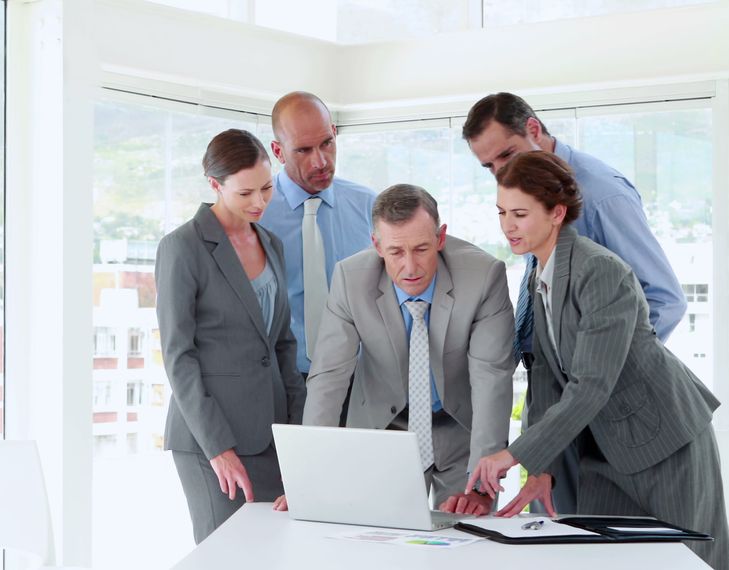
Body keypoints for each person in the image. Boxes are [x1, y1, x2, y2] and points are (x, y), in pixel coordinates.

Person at [467, 151, 729, 570]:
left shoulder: (600, 270)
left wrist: (514, 454)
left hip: (665, 441)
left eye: (520, 214)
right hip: (606, 448)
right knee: (606, 561)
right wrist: (541, 467)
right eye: (502, 212)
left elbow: (590, 385)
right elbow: (547, 379)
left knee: (688, 562)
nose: (507, 226)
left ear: (556, 213)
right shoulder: (539, 275)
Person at [463, 91, 688, 514]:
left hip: (609, 407)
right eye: (489, 167)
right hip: (559, 401)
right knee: (555, 528)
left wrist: (603, 377)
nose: (501, 172)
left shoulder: (601, 194)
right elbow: (549, 336)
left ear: (533, 129)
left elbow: (663, 299)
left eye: (506, 155)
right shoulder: (525, 210)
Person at [300, 184, 515, 515]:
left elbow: (492, 377)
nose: (411, 267)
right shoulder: (350, 279)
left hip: (463, 428)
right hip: (386, 429)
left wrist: (481, 484)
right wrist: (309, 478)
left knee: (467, 533)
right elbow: (329, 376)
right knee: (378, 536)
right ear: (377, 246)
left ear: (441, 238)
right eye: (396, 252)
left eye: (421, 249)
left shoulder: (483, 276)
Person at [155, 129, 306, 544]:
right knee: (225, 553)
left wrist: (298, 434)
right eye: (245, 193)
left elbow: (282, 345)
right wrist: (217, 448)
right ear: (215, 185)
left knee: (275, 551)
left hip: (273, 434)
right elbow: (179, 357)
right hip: (212, 439)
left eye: (267, 188)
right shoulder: (182, 247)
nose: (259, 202)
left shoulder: (271, 243)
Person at [259, 91, 377, 382]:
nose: (321, 162)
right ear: (278, 151)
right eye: (303, 150)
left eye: (327, 143)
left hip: (358, 376)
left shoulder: (369, 206)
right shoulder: (257, 213)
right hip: (282, 378)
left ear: (334, 132)